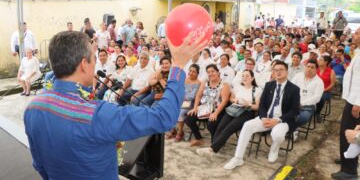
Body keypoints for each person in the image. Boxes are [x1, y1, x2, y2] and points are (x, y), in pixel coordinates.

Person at [24, 30, 207, 180]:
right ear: (83, 64)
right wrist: (178, 66)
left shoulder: (33, 108)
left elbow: (39, 165)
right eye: (94, 58)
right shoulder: (97, 114)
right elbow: (164, 117)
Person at [224, 61, 300, 169]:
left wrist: (277, 120)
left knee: (277, 134)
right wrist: (264, 117)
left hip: (282, 120)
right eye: (275, 70)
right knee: (247, 125)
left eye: (281, 70)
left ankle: (274, 148)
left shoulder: (294, 89)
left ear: (287, 72)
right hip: (266, 117)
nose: (278, 72)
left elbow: (295, 110)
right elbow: (262, 105)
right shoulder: (269, 85)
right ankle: (238, 158)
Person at [196, 69, 262, 158]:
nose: (244, 78)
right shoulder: (239, 87)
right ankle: (214, 147)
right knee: (220, 127)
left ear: (252, 78)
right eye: (243, 76)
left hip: (246, 112)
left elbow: (257, 107)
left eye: (247, 76)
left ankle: (211, 149)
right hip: (234, 109)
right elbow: (231, 98)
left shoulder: (257, 90)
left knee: (229, 128)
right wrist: (234, 100)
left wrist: (248, 104)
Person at [332, 27, 360, 180]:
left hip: (356, 102)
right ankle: (347, 158)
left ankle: (349, 171)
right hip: (352, 99)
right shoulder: (358, 52)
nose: (353, 35)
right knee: (347, 133)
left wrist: (358, 103)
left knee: (351, 134)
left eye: (356, 33)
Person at [185, 64, 231, 147]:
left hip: (218, 109)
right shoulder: (205, 83)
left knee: (211, 123)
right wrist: (195, 108)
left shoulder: (224, 84)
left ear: (218, 72)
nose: (210, 74)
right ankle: (199, 138)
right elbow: (198, 95)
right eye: (208, 72)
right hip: (205, 107)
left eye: (213, 71)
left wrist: (215, 113)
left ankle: (215, 141)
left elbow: (224, 101)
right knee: (189, 117)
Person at [292, 60, 324, 135]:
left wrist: (302, 103)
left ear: (316, 69)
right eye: (308, 66)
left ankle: (292, 128)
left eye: (312, 67)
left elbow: (317, 98)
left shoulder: (319, 82)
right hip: (293, 104)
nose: (309, 69)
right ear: (305, 67)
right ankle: (291, 128)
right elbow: (290, 88)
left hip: (307, 107)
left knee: (302, 117)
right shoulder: (298, 76)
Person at [172, 64, 201, 142]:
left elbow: (191, 96)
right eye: (190, 71)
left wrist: (182, 95)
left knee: (180, 112)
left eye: (194, 72)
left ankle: (180, 132)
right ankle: (173, 128)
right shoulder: (184, 79)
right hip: (181, 101)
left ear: (197, 73)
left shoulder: (198, 83)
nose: (191, 73)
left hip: (190, 104)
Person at [316, 55, 336, 123]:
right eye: (318, 59)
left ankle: (317, 113)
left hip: (326, 92)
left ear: (326, 62)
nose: (318, 61)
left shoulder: (331, 71)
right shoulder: (316, 69)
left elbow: (332, 84)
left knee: (320, 98)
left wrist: (324, 90)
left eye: (321, 60)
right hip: (315, 90)